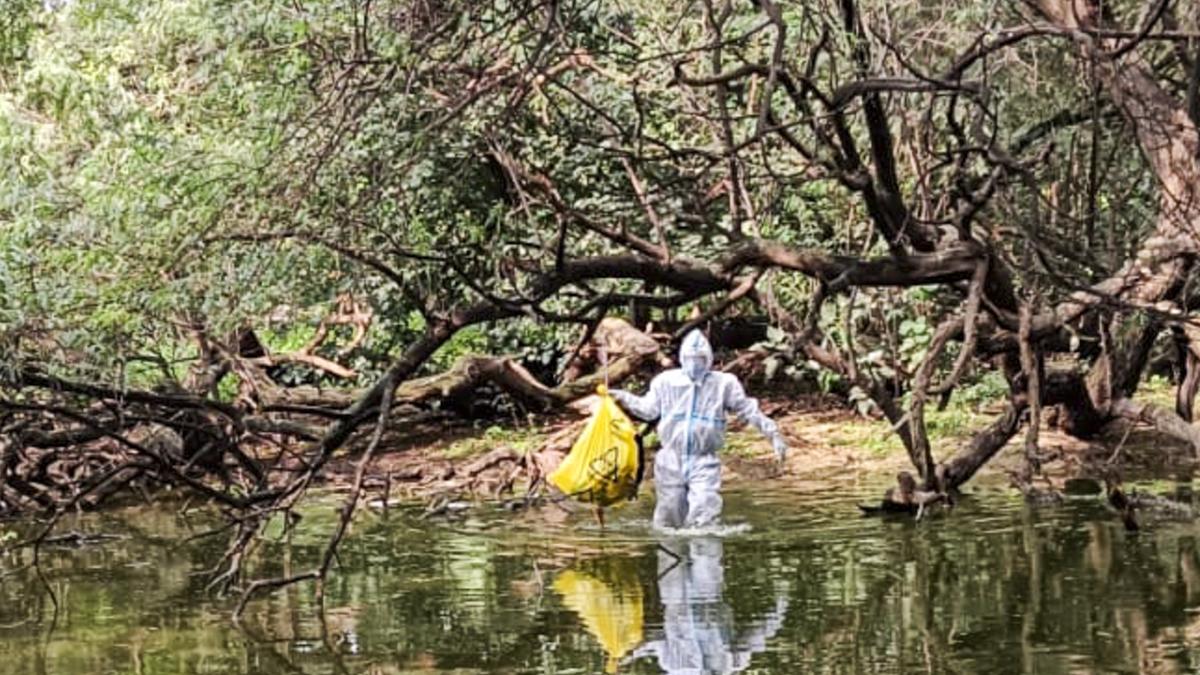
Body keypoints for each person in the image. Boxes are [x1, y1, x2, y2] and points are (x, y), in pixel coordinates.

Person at [611, 329, 788, 529]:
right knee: (668, 515)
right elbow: (648, 410)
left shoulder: (723, 384)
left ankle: (704, 554)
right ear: (682, 357)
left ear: (709, 358)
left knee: (705, 510)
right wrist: (622, 397)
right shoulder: (666, 382)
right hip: (671, 458)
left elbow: (748, 410)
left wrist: (772, 434)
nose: (695, 363)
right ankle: (672, 555)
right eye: (690, 358)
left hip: (704, 459)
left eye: (700, 358)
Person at [628, 537, 789, 673]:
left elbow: (657, 643)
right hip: (708, 593)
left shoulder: (673, 666)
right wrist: (778, 612)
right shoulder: (728, 664)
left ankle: (674, 511)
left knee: (669, 541)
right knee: (706, 544)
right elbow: (754, 637)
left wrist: (632, 652)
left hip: (674, 599)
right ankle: (700, 512)